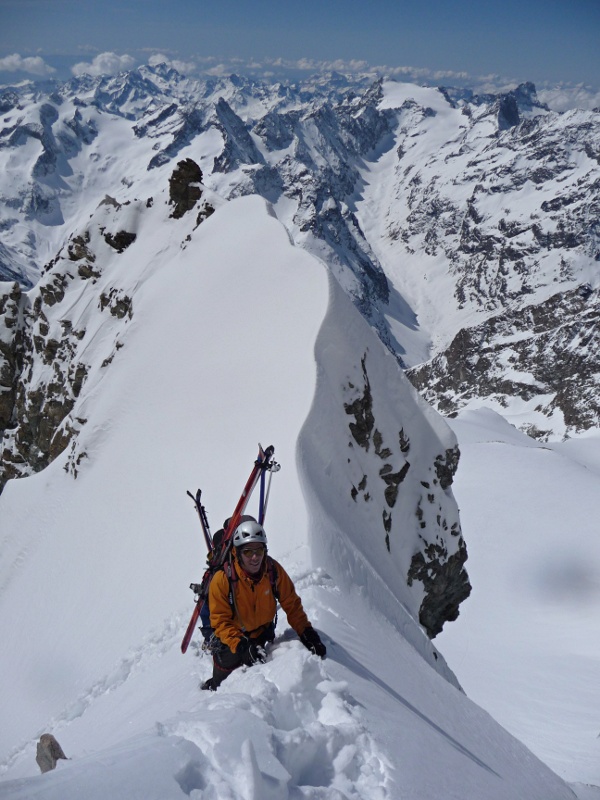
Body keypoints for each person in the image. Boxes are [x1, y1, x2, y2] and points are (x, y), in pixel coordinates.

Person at [202, 519, 326, 690]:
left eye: (259, 550)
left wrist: (306, 632)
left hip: (262, 634)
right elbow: (220, 621)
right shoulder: (223, 579)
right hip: (231, 641)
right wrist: (242, 646)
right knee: (223, 684)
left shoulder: (272, 570)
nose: (255, 557)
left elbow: (291, 604)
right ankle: (212, 687)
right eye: (248, 552)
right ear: (237, 553)